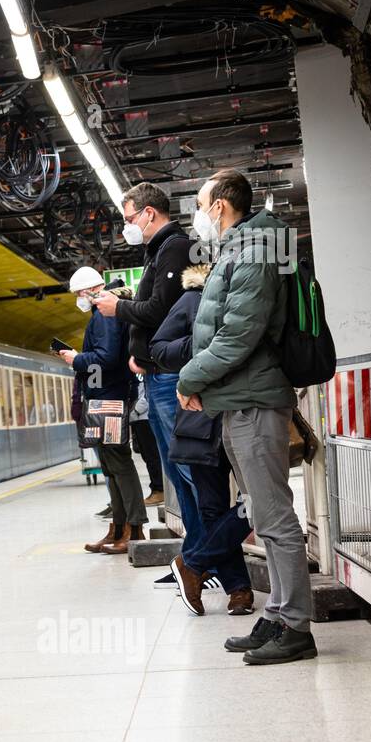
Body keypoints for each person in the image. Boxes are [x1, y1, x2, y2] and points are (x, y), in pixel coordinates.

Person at [177, 169, 315, 664]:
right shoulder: (241, 247)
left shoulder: (256, 249)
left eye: (199, 203)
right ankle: (277, 614)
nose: (196, 214)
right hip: (238, 399)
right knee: (261, 511)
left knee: (275, 518)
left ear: (219, 206)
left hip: (255, 401)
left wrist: (190, 378)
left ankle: (296, 626)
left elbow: (239, 333)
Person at [92, 182, 205, 562]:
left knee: (189, 471)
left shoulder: (174, 248)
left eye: (129, 218)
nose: (128, 226)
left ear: (149, 213)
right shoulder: (159, 252)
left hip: (170, 378)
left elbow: (160, 311)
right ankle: (194, 556)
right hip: (156, 375)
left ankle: (208, 553)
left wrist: (117, 309)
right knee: (177, 472)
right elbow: (156, 308)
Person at [149, 262, 255, 616]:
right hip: (203, 418)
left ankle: (191, 562)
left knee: (256, 502)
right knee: (212, 509)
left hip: (246, 412)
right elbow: (159, 349)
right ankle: (238, 589)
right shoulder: (192, 300)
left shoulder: (249, 298)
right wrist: (202, 344)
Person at [58, 267, 147, 554]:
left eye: (77, 295)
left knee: (119, 464)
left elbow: (107, 357)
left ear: (88, 291)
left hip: (109, 398)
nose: (77, 300)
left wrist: (77, 359)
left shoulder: (103, 316)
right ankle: (119, 526)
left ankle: (134, 530)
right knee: (110, 465)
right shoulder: (103, 313)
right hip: (105, 397)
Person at [130, 376, 164, 506]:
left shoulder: (143, 368)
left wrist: (135, 411)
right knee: (147, 455)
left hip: (144, 416)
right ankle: (156, 488)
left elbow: (146, 394)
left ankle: (159, 489)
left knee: (151, 455)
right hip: (139, 417)